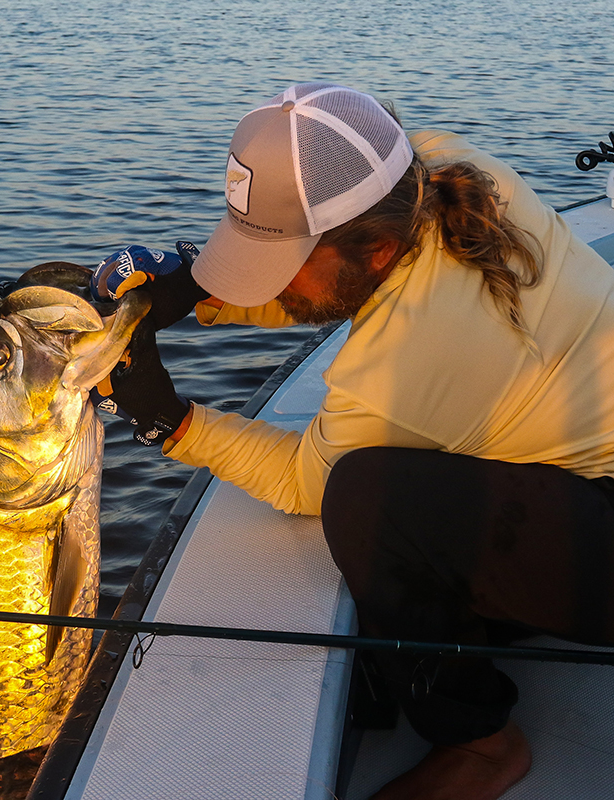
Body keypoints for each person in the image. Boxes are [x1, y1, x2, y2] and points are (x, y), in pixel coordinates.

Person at [91, 83, 614, 800]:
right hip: (572, 455)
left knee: (370, 506)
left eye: (278, 262)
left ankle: (484, 748)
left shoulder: (408, 360)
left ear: (377, 249)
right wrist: (197, 291)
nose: (267, 283)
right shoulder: (441, 168)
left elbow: (307, 484)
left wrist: (172, 422)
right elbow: (328, 287)